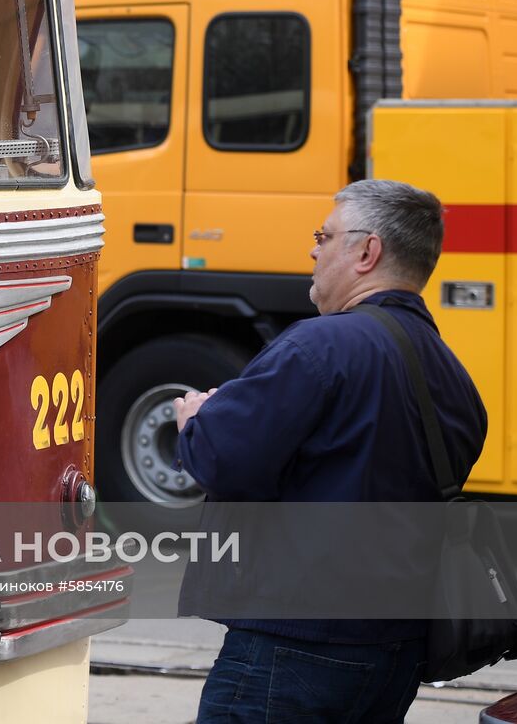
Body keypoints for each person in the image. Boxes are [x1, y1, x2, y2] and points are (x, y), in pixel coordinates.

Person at [173, 179, 487, 723]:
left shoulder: (318, 346)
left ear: (367, 252)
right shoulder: (453, 374)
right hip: (395, 651)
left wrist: (196, 420)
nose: (314, 250)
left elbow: (220, 459)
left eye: (325, 235)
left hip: (292, 644)